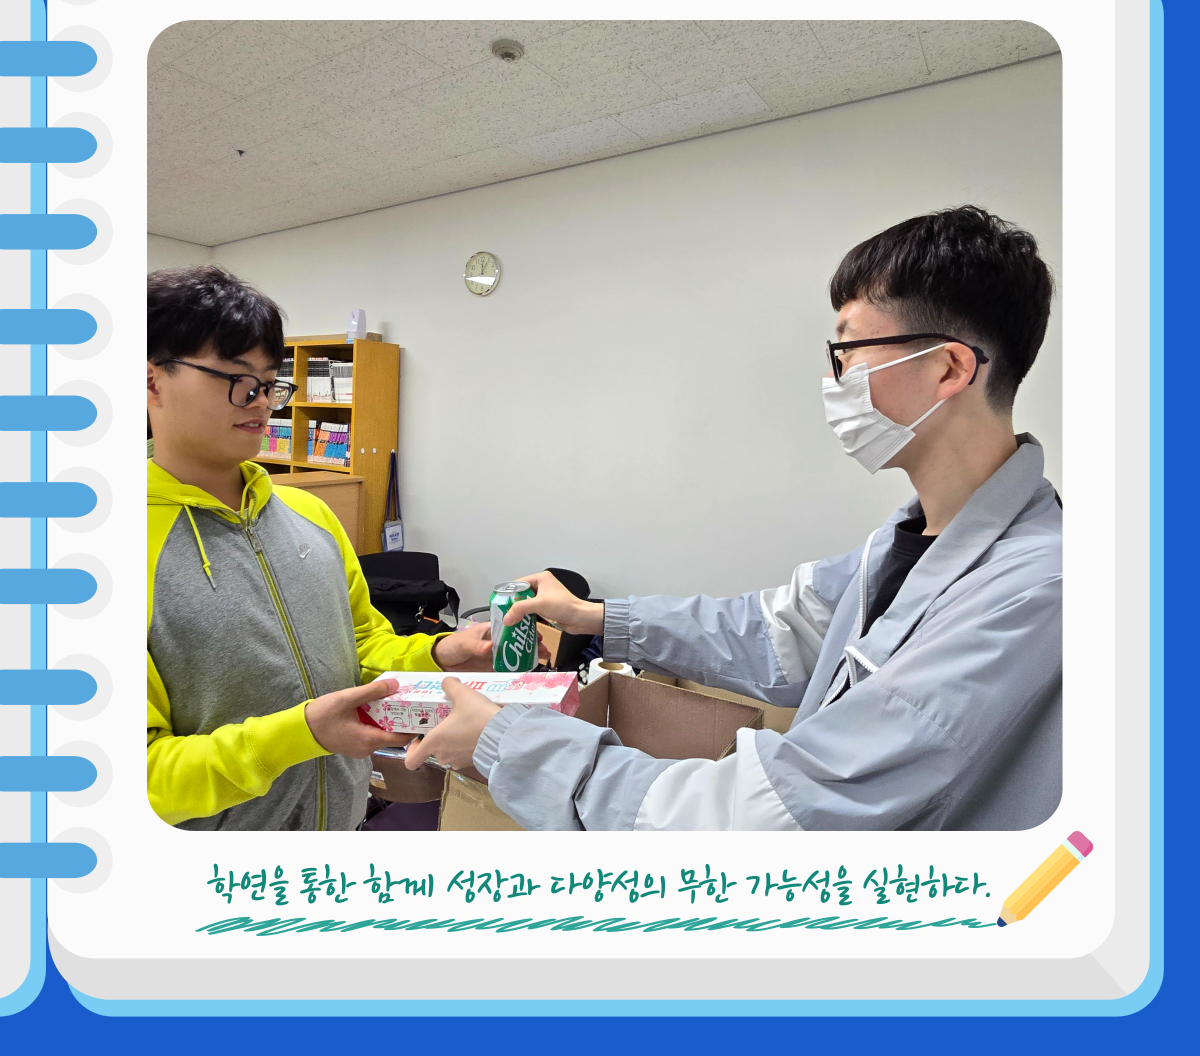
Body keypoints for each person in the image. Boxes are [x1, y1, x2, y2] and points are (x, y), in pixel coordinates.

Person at [406, 206, 1062, 831]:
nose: (834, 379)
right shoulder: (906, 543)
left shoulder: (1028, 592)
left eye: (849, 349)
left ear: (949, 368)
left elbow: (765, 816)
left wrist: (506, 741)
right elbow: (770, 634)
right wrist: (595, 618)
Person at [146, 266, 492, 830]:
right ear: (153, 381)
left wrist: (437, 653)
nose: (262, 402)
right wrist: (299, 735)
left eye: (269, 383)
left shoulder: (310, 515)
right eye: (238, 380)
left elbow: (361, 642)